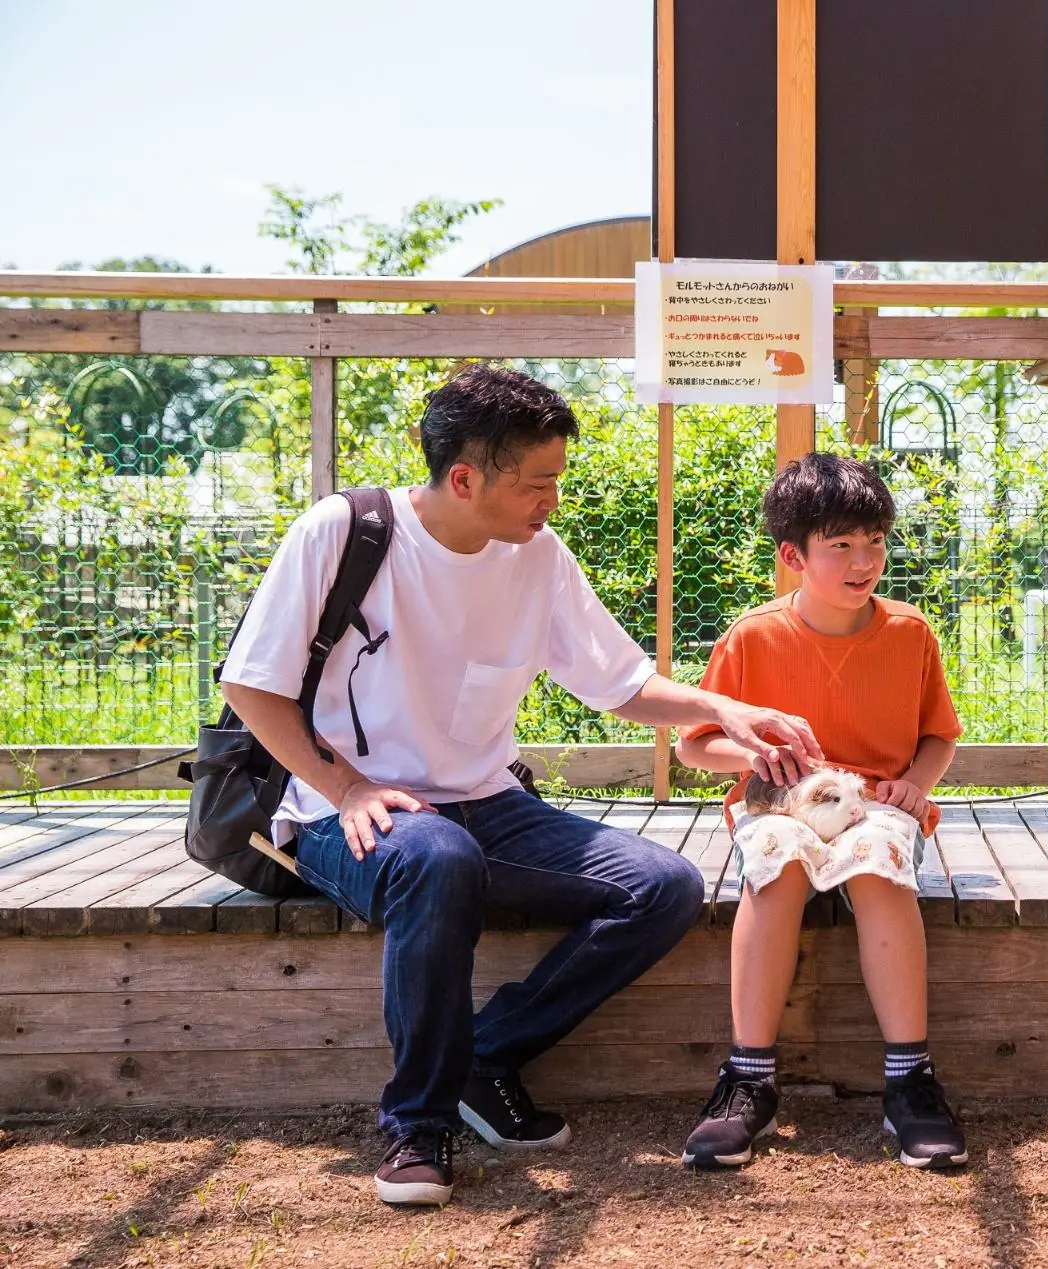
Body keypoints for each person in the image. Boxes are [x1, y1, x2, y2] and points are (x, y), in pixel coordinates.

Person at [220, 364, 820, 1207]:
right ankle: (415, 1122)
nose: (552, 501)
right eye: (538, 483)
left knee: (663, 886)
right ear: (464, 478)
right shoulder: (346, 531)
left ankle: (483, 1054)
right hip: (343, 812)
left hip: (487, 804)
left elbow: (618, 682)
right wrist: (347, 787)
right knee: (435, 857)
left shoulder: (536, 556)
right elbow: (251, 684)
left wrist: (730, 705)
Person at [676, 453, 967, 1171]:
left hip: (873, 802)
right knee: (774, 864)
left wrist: (917, 785)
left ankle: (909, 1081)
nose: (863, 560)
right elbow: (695, 745)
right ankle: (747, 1077)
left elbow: (938, 733)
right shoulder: (752, 635)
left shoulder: (909, 633)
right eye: (840, 545)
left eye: (874, 541)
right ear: (792, 555)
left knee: (876, 864)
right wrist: (750, 758)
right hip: (779, 796)